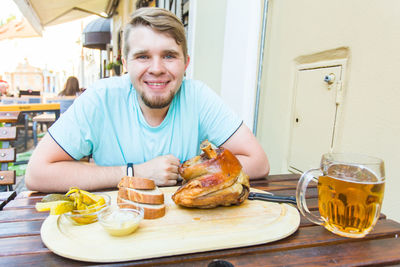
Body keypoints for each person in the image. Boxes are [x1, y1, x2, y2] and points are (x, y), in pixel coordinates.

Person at [25, 7, 270, 193]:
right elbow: (36, 173)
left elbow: (258, 163)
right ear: (124, 63)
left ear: (185, 63)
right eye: (143, 56)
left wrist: (185, 173)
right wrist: (136, 173)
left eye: (169, 56)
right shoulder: (100, 99)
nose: (156, 68)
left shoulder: (198, 96)